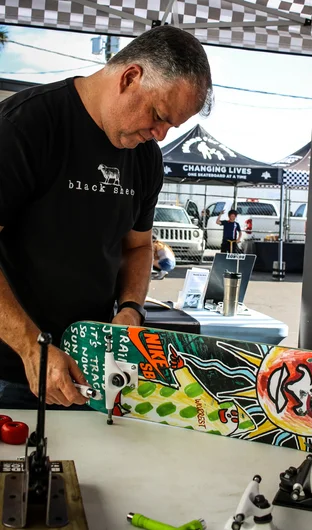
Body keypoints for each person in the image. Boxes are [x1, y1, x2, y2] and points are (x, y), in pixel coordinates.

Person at [0, 25, 213, 409]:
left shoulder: (146, 156)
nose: (160, 135)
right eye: (158, 115)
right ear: (130, 77)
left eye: (171, 126)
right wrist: (32, 348)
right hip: (11, 369)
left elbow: (138, 246)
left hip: (91, 370)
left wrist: (131, 308)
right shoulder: (25, 125)